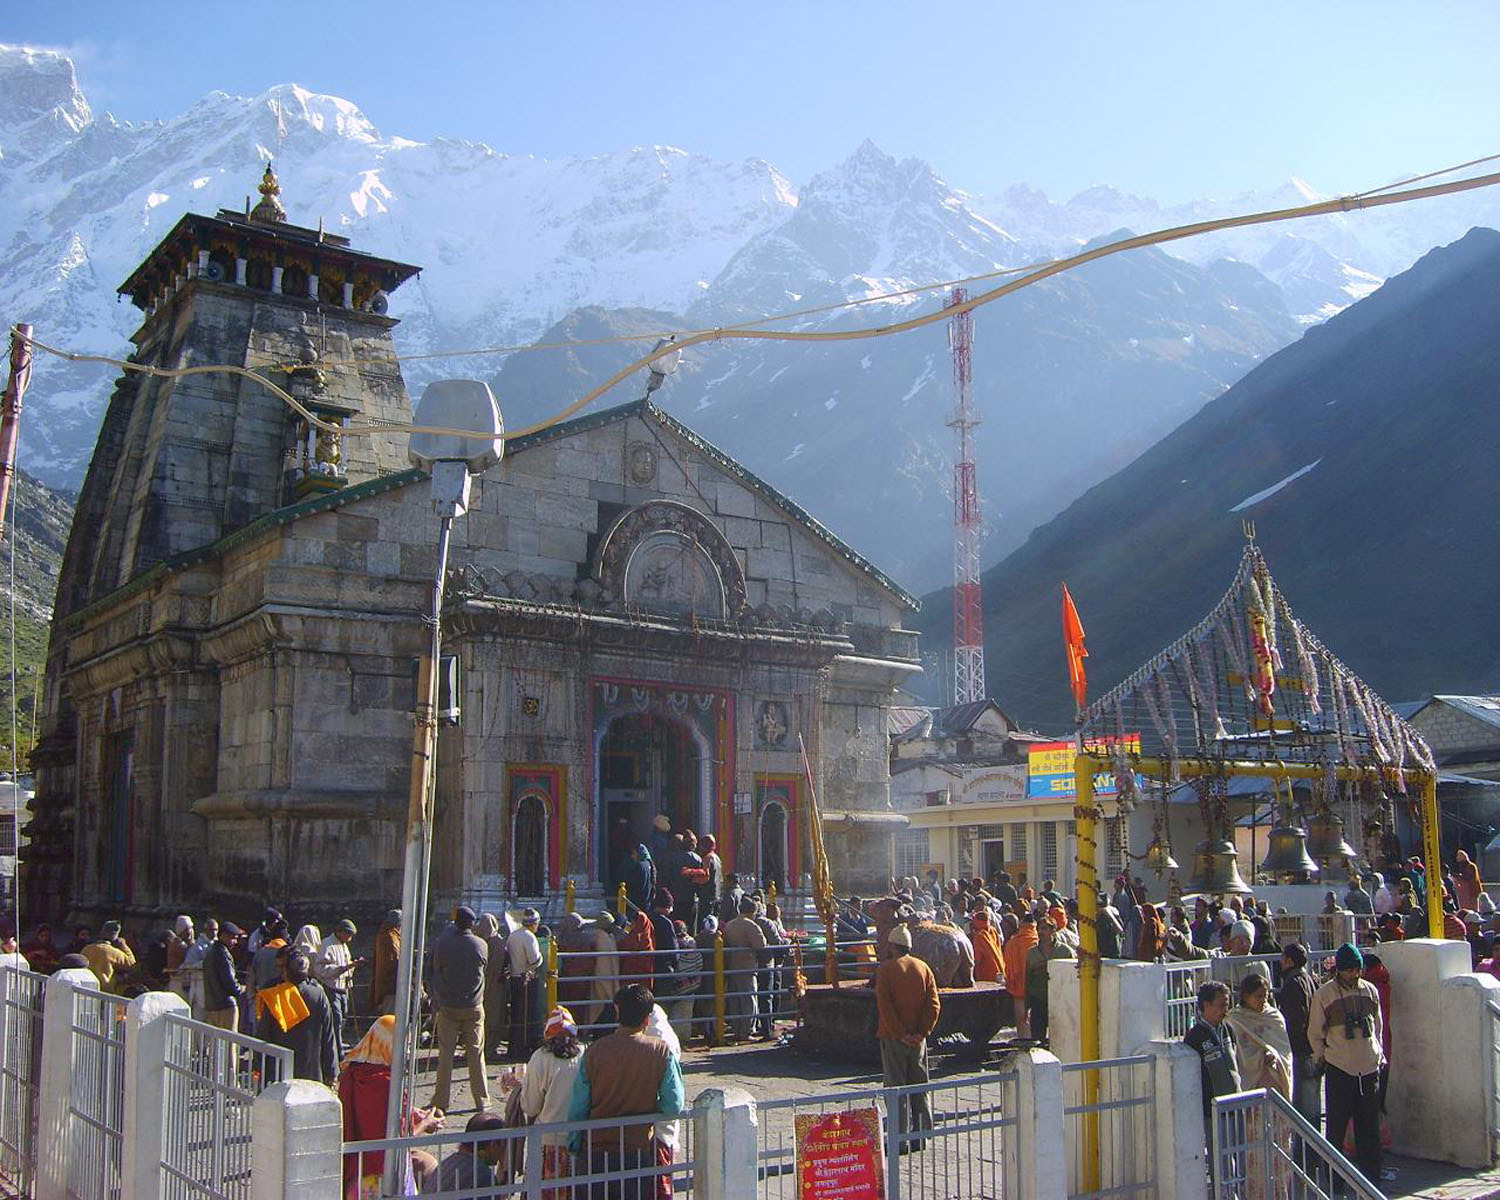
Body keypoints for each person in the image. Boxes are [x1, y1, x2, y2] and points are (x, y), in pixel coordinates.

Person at [567, 984, 685, 1200]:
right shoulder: (661, 1052)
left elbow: (578, 1107)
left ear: (617, 1011)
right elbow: (674, 1104)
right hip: (636, 1149)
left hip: (595, 1149)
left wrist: (574, 1143)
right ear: (647, 1019)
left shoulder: (594, 1052)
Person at [339, 1015, 444, 1197]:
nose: (407, 1053)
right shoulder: (388, 1084)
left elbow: (367, 1116)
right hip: (383, 1177)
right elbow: (400, 1137)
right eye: (405, 1047)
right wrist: (425, 1124)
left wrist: (410, 1112)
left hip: (355, 1172)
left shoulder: (352, 1073)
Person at [1307, 943, 1386, 1184]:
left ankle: (1371, 1178)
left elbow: (1378, 1027)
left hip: (1369, 1068)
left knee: (1369, 1127)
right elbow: (1314, 1032)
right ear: (1339, 970)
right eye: (1349, 970)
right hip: (1340, 1068)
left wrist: (1378, 1054)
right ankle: (1335, 1180)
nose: (1354, 975)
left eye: (1357, 970)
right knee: (1336, 1127)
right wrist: (1323, 1057)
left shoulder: (1370, 991)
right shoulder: (1325, 994)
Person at [874, 925, 940, 1147]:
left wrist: (900, 1034)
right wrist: (921, 1033)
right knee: (920, 1086)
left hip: (893, 1038)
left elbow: (885, 1006)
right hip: (918, 1040)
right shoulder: (923, 968)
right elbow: (933, 1005)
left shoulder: (886, 969)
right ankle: (922, 1136)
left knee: (896, 1089)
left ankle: (899, 1139)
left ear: (892, 946)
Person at [521, 1007, 586, 1199]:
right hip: (580, 1139)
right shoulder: (585, 1054)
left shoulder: (540, 1058)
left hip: (548, 1141)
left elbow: (530, 1106)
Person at [429, 906, 490, 1113]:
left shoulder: (443, 944)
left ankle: (440, 1101)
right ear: (473, 924)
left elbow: (436, 972)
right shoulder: (481, 945)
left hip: (449, 1005)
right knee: (476, 1053)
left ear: (456, 922)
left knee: (446, 1054)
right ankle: (482, 1099)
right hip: (473, 1005)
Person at [259, 951, 339, 1085]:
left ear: (286, 972)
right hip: (311, 1070)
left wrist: (260, 1067)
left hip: (280, 1069)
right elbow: (328, 1035)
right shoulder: (318, 994)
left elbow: (263, 1034)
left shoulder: (274, 997)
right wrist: (332, 1071)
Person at [1184, 980, 1241, 1143]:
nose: (1225, 1010)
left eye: (1227, 1005)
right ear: (1206, 1005)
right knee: (1219, 1157)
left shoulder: (1228, 1029)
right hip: (1212, 1109)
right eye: (1221, 1005)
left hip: (1234, 1103)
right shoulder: (1194, 1037)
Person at [1276, 942, 1321, 1126]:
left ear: (1288, 960)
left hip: (1301, 1049)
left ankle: (1307, 1152)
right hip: (1313, 1047)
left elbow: (1295, 1019)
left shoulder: (1292, 984)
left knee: (1304, 1107)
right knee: (1313, 1102)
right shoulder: (1310, 979)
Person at [1226, 974, 1292, 1096]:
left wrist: (1275, 1056)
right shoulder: (1234, 1019)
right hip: (1250, 1080)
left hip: (1275, 1076)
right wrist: (1258, 1058)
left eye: (1265, 996)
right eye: (1258, 996)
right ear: (1246, 997)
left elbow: (1284, 1048)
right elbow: (1238, 1051)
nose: (1263, 1000)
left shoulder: (1274, 1016)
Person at [420, 1111, 509, 1196]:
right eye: (503, 1144)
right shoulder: (483, 1177)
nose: (504, 1150)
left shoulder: (449, 1163)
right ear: (492, 1145)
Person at [313, 919, 362, 1058]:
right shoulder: (327, 944)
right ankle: (337, 1052)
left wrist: (353, 966)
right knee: (336, 1020)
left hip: (344, 988)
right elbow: (320, 968)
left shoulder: (344, 946)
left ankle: (338, 1046)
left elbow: (347, 964)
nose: (350, 939)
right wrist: (343, 968)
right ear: (341, 932)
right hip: (331, 988)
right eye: (349, 935)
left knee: (344, 1018)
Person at [721, 896, 766, 1041]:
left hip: (732, 966)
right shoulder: (751, 926)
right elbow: (761, 945)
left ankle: (736, 1030)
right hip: (747, 967)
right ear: (752, 911)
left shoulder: (730, 924)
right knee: (749, 1000)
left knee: (735, 1000)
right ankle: (747, 1032)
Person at [1025, 915, 1075, 1043]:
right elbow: (1028, 978)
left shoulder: (1065, 952)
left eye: (1044, 929)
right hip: (1038, 1000)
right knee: (1037, 1039)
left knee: (1060, 1037)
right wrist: (1027, 1004)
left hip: (1060, 1001)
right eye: (1038, 929)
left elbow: (1072, 975)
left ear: (1053, 930)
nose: (1040, 932)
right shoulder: (1032, 953)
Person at [506, 909, 544, 1060]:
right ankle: (523, 1047)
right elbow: (534, 960)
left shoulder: (513, 935)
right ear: (534, 924)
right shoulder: (529, 937)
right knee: (527, 1015)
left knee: (517, 1015)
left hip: (514, 977)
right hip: (526, 978)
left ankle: (514, 1048)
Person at [580, 912, 622, 1032]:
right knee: (604, 1005)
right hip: (604, 975)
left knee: (600, 1004)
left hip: (603, 975)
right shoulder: (604, 938)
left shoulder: (601, 937)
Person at [754, 901, 789, 1039]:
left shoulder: (750, 922)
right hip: (769, 962)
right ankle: (767, 1028)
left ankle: (760, 1025)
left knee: (758, 996)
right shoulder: (768, 924)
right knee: (768, 995)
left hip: (751, 963)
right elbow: (777, 942)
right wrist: (788, 942)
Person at [477, 912, 510, 1058]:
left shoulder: (477, 942)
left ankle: (480, 1048)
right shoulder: (500, 943)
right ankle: (490, 1048)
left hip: (480, 986)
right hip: (496, 986)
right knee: (495, 1017)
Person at [203, 922, 246, 1031]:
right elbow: (230, 983)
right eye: (233, 938)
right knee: (230, 1045)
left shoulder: (210, 953)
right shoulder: (223, 954)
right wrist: (241, 988)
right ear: (222, 936)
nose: (235, 942)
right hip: (226, 1006)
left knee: (214, 1045)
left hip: (211, 1006)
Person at [1003, 912, 1038, 1039]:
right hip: (1036, 987)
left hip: (1018, 986)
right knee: (1036, 1019)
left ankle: (1024, 1041)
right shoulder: (1038, 941)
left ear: (1021, 925)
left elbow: (1007, 964)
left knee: (1021, 1020)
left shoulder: (1013, 942)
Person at [82, 920, 137, 994]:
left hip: (85, 988)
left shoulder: (87, 948)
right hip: (104, 990)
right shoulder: (113, 952)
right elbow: (132, 963)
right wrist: (123, 945)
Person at [646, 891, 678, 996]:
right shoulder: (666, 923)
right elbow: (673, 951)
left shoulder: (647, 919)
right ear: (667, 906)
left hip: (648, 968)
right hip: (663, 969)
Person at [370, 909, 401, 1015]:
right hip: (390, 985)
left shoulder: (385, 934)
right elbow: (394, 961)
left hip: (388, 985)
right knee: (390, 1018)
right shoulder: (389, 936)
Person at [969, 905, 1004, 983]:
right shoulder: (993, 930)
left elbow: (977, 959)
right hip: (1000, 970)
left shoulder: (979, 936)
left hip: (986, 975)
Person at [622, 844, 657, 914]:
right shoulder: (649, 865)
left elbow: (633, 885)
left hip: (636, 904)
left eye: (634, 854)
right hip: (646, 904)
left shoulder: (639, 866)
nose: (632, 856)